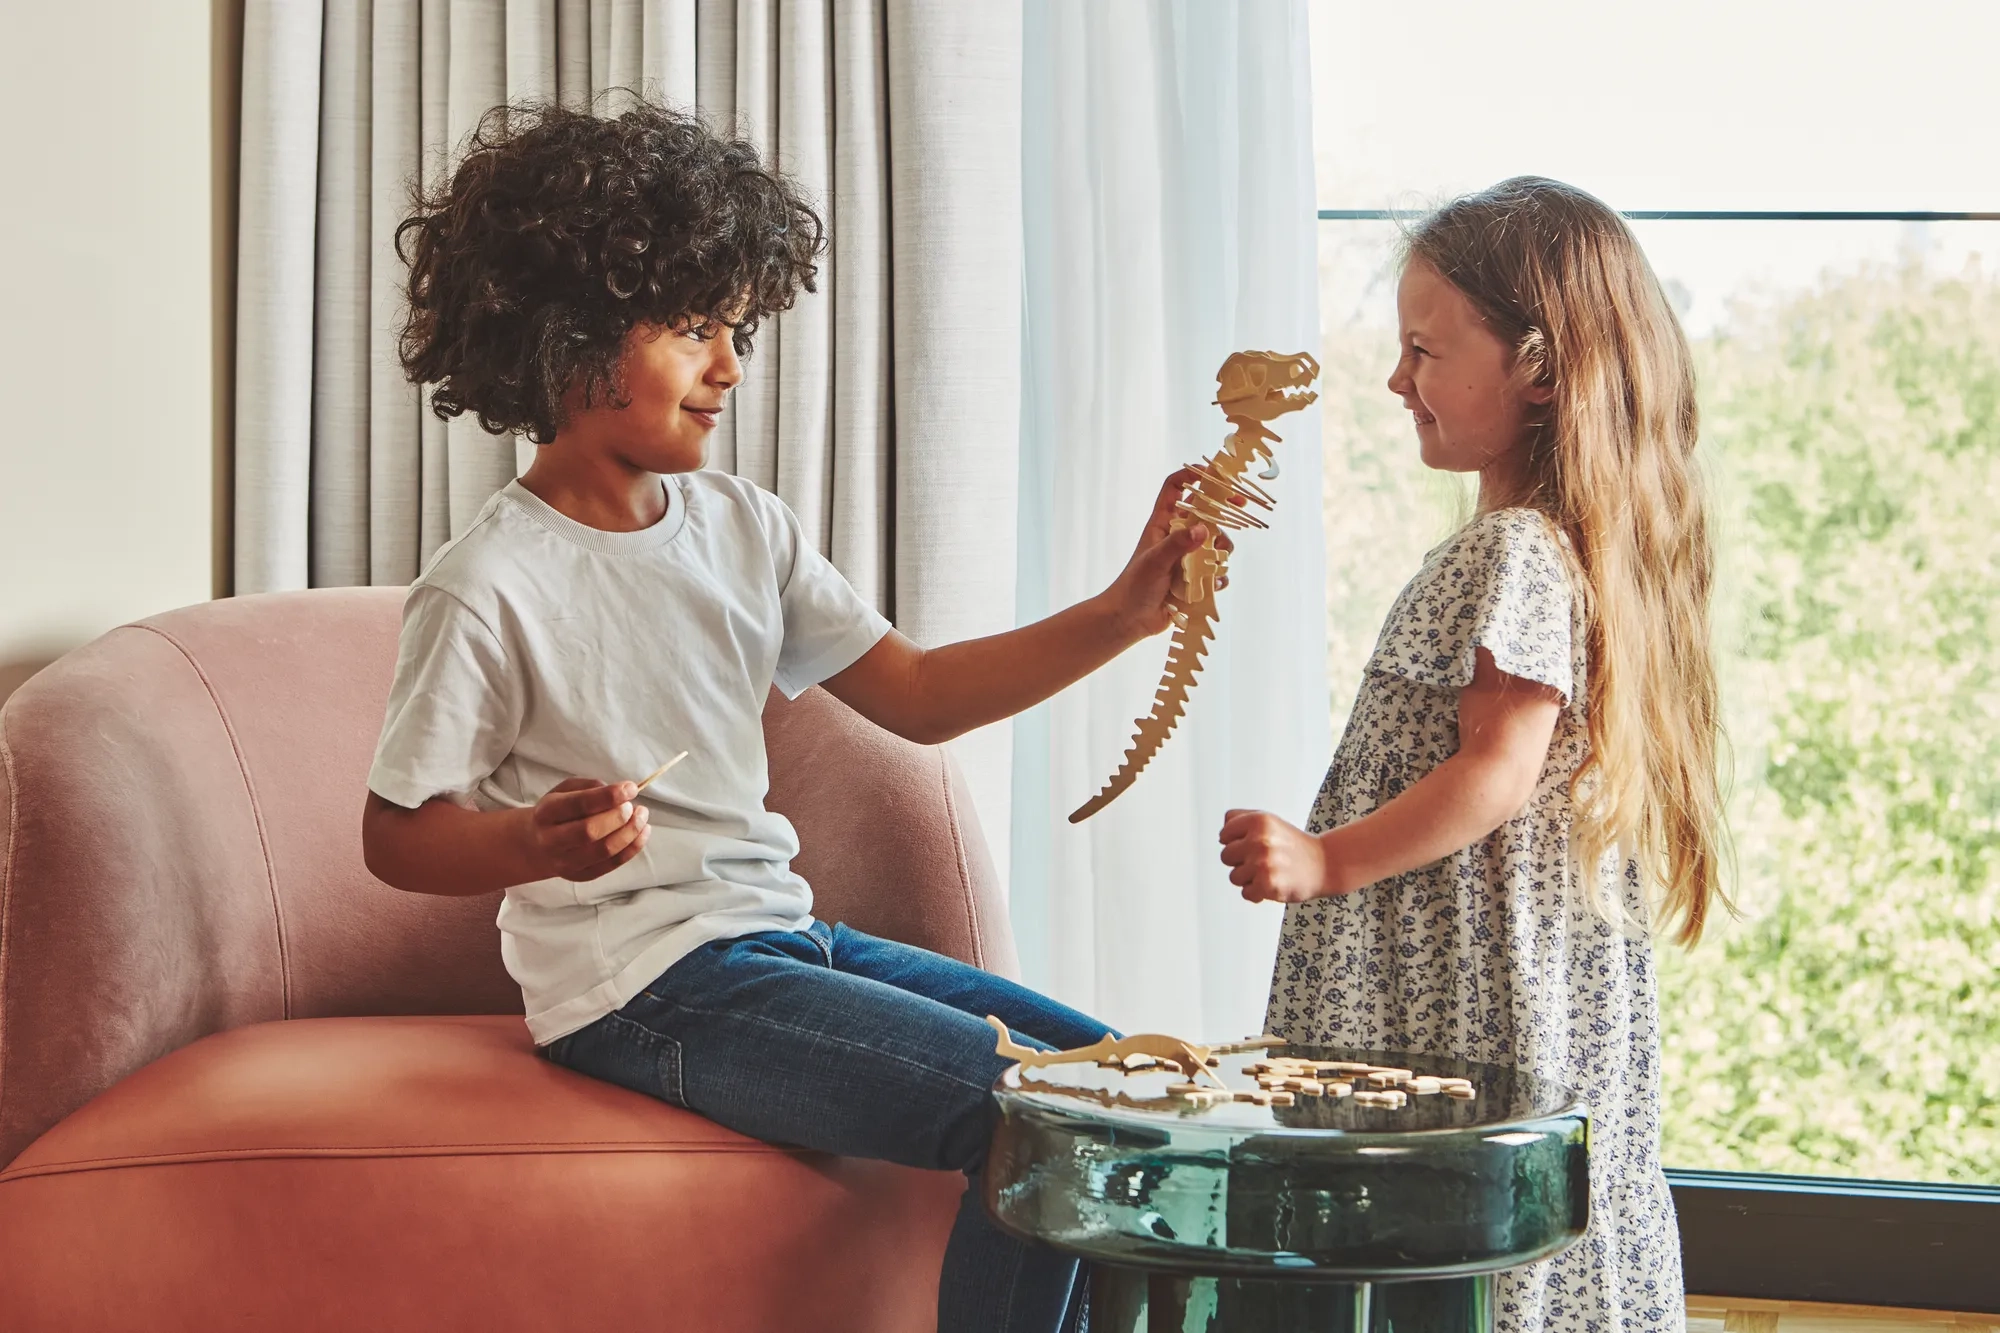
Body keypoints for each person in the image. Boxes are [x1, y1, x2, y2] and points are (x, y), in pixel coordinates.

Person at [360, 100, 1222, 1333]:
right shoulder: (489, 584)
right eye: (694, 328)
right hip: (641, 986)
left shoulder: (742, 528)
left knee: (1143, 1089)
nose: (729, 365)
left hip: (782, 939)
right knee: (1038, 1117)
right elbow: (395, 835)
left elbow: (917, 697)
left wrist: (1118, 616)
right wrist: (530, 844)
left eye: (735, 328)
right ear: (569, 334)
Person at [1217, 176, 1724, 1332]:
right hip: (1518, 977)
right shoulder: (1572, 554)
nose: (1397, 381)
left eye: (1422, 351)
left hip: (1459, 993)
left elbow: (1493, 771)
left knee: (1429, 1246)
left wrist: (1324, 859)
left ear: (1538, 370)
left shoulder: (1510, 552)